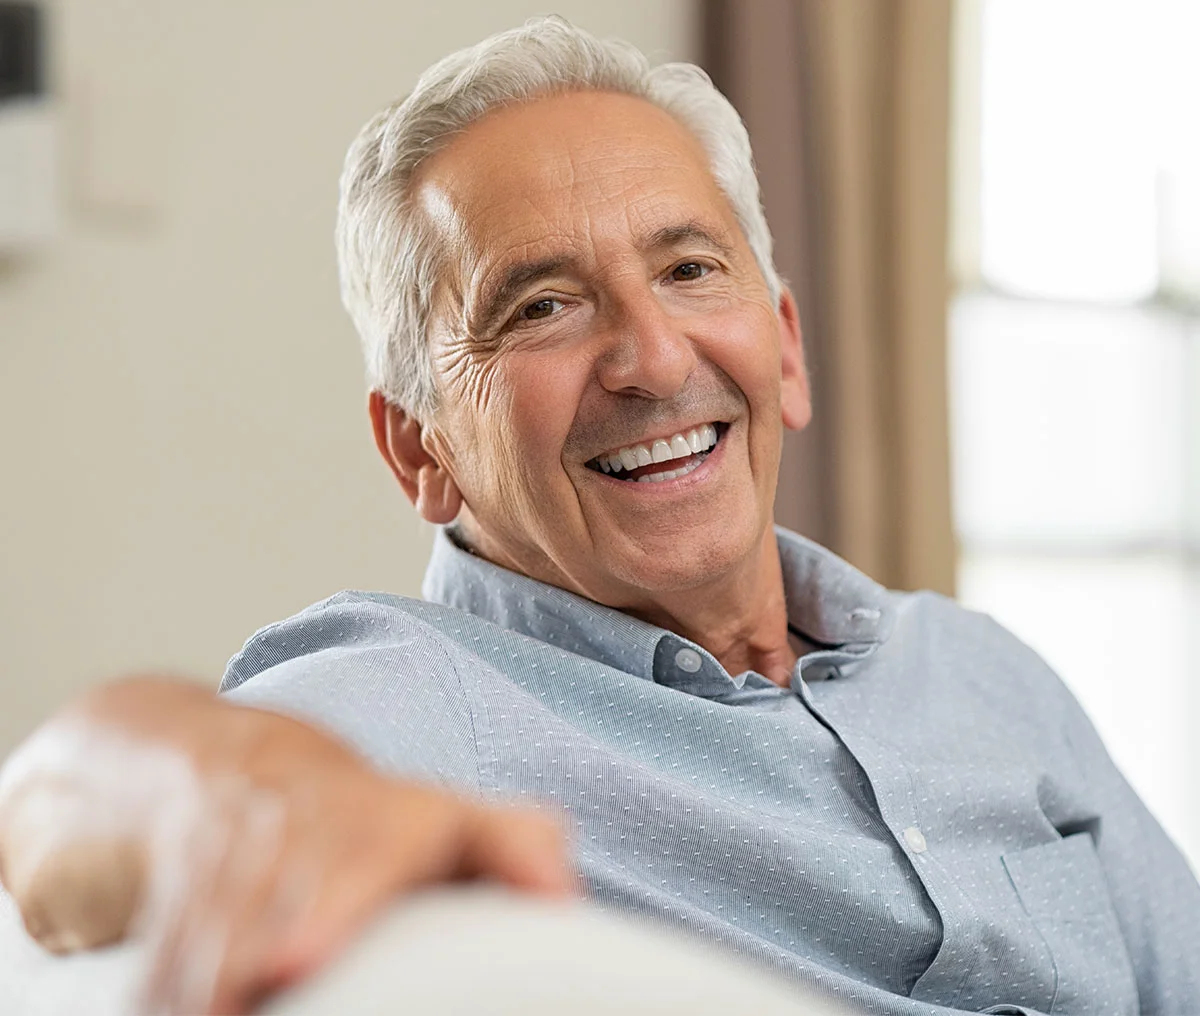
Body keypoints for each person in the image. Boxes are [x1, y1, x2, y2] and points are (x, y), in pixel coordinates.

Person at [2, 15, 1198, 1016]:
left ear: (783, 342)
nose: (649, 354)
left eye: (688, 270)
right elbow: (50, 803)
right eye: (540, 307)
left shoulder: (985, 673)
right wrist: (226, 789)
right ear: (421, 449)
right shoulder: (422, 699)